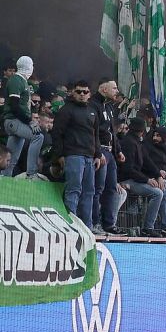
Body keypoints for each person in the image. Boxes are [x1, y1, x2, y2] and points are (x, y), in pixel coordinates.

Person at [50, 80, 101, 228]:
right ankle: (70, 225)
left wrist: (97, 155)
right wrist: (59, 156)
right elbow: (57, 134)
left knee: (89, 192)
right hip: (73, 155)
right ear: (73, 92)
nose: (82, 95)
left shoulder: (93, 110)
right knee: (74, 190)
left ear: (89, 94)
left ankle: (87, 227)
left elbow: (95, 134)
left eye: (85, 92)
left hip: (89, 157)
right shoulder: (66, 110)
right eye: (79, 91)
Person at [118, 118, 166, 237]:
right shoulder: (129, 143)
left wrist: (158, 175)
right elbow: (128, 169)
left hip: (135, 178)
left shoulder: (137, 142)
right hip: (127, 179)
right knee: (157, 193)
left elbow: (147, 161)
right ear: (142, 131)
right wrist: (147, 180)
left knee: (165, 190)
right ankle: (148, 227)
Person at [90, 79, 126, 235]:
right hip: (101, 152)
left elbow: (112, 131)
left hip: (111, 153)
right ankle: (94, 223)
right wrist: (98, 153)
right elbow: (94, 132)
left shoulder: (110, 107)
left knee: (111, 189)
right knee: (98, 189)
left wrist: (118, 150)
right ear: (103, 89)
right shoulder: (93, 105)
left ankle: (109, 224)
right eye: (114, 88)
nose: (116, 91)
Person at [2, 56, 44, 179]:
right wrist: (30, 121)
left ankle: (4, 181)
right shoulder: (16, 80)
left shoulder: (22, 81)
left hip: (16, 122)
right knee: (38, 136)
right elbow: (15, 106)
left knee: (11, 159)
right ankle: (31, 173)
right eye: (32, 65)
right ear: (28, 66)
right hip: (14, 121)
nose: (32, 68)